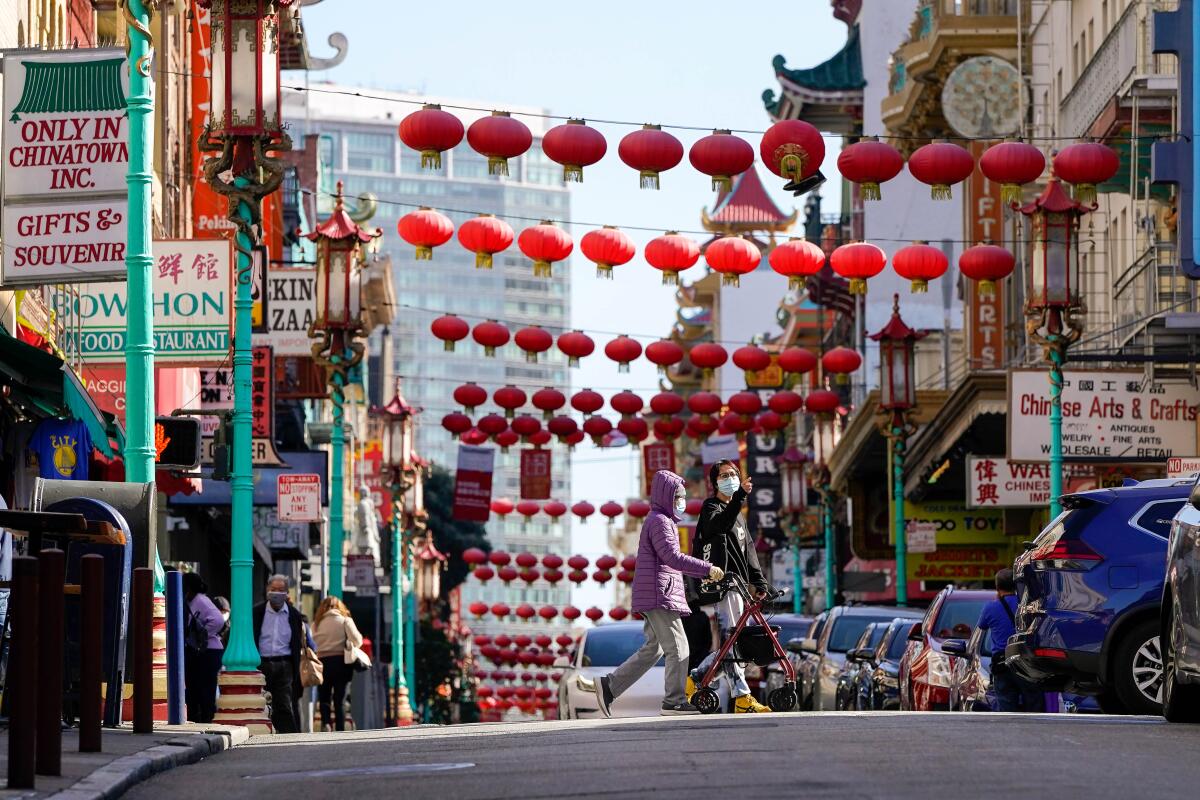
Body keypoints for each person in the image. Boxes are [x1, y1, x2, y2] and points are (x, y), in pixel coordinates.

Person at [592, 470, 723, 717]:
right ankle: (674, 701)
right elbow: (672, 558)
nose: (682, 502)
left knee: (655, 648)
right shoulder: (660, 522)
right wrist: (707, 569)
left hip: (657, 592)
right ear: (667, 496)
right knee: (679, 647)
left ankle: (609, 686)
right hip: (660, 594)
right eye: (678, 497)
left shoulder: (662, 520)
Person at [687, 459, 773, 714]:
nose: (730, 478)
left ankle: (696, 678)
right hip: (723, 585)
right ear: (714, 482)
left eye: (733, 474)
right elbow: (718, 526)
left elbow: (749, 551)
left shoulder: (739, 516)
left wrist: (759, 581)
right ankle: (742, 697)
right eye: (724, 475)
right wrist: (739, 499)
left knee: (733, 642)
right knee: (732, 640)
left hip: (739, 586)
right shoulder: (711, 507)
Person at [977, 567, 1044, 712]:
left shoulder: (990, 607)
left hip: (1002, 662)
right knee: (1034, 703)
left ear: (997, 587)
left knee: (1006, 706)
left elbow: (982, 625)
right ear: (1016, 585)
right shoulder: (1026, 605)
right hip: (1026, 660)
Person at [252, 575, 304, 733]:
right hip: (262, 663)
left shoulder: (294, 615)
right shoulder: (257, 612)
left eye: (281, 590)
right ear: (267, 590)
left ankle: (289, 738)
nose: (276, 593)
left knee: (284, 704)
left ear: (287, 593)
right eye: (273, 589)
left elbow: (297, 642)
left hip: (284, 665)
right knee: (261, 702)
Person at [312, 596, 364, 731]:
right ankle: (340, 728)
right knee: (340, 698)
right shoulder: (345, 621)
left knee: (324, 696)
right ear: (340, 607)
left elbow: (311, 643)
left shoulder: (316, 623)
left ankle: (326, 723)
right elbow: (358, 641)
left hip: (322, 662)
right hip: (342, 663)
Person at [182, 572, 226, 723]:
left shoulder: (201, 600)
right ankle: (198, 717)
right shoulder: (190, 601)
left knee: (205, 689)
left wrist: (202, 636)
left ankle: (207, 719)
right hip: (198, 651)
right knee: (194, 687)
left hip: (208, 651)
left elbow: (218, 620)